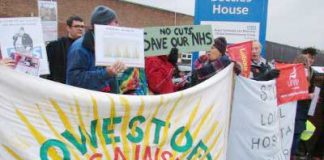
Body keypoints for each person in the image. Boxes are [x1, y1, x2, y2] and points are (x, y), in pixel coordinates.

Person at [66, 5, 126, 93]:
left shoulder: (107, 45)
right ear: (104, 24)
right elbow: (74, 80)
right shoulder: (79, 48)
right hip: (87, 102)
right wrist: (106, 73)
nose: (118, 25)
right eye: (115, 22)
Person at [290, 47, 318, 160]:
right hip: (293, 107)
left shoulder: (313, 73)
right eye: (308, 58)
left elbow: (314, 90)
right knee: (293, 133)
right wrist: (307, 95)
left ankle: (293, 153)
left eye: (312, 59)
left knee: (299, 133)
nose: (310, 61)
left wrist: (311, 106)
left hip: (304, 108)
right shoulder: (292, 70)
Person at [46, 16, 85, 83]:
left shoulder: (87, 46)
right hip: (60, 84)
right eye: (77, 26)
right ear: (68, 28)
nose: (80, 29)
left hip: (79, 85)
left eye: (82, 27)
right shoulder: (56, 45)